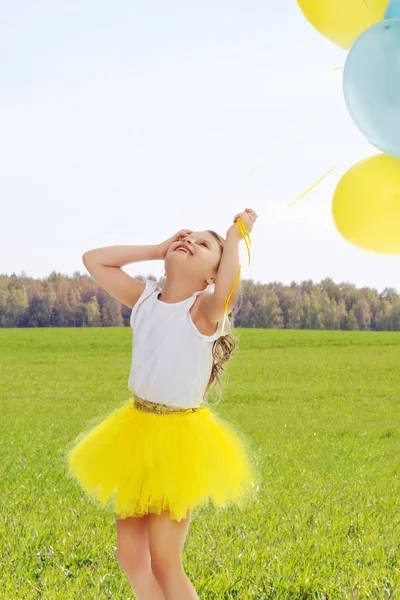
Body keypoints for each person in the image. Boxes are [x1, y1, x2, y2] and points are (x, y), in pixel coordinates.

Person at [66, 208, 260, 600]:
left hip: (179, 443)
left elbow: (227, 292)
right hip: (135, 432)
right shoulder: (145, 299)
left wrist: (233, 239)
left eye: (204, 245)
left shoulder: (203, 311)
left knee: (164, 560)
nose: (189, 241)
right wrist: (157, 249)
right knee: (130, 557)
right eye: (187, 237)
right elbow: (93, 260)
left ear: (211, 275)